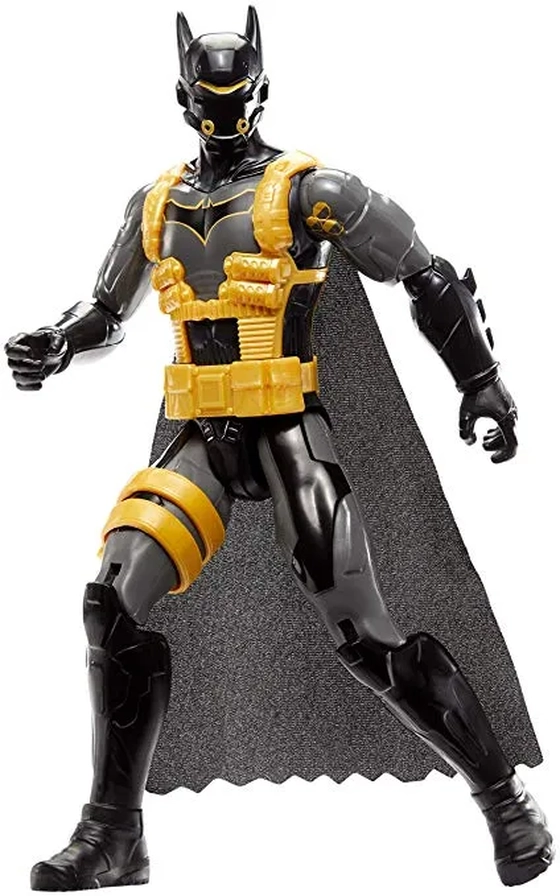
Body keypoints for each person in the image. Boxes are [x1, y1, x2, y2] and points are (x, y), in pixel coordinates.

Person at [4, 7, 553, 890]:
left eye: (237, 98)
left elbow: (425, 272)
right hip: (202, 439)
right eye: (209, 99)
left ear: (260, 93)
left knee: (364, 635)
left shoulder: (310, 191)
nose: (224, 114)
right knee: (111, 603)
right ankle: (113, 832)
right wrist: (61, 341)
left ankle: (504, 801)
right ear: (183, 98)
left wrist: (480, 378)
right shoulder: (157, 204)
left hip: (288, 433)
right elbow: (106, 310)